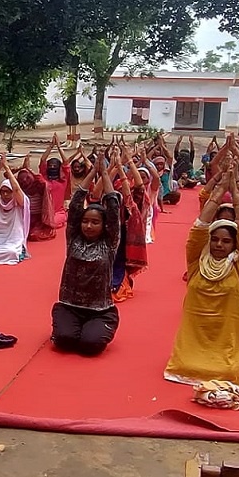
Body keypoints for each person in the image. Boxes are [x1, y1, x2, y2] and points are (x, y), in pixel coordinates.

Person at [164, 164, 239, 388]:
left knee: (229, 370)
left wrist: (236, 193)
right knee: (189, 366)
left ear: (236, 244)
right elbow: (198, 229)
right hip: (191, 349)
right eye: (215, 239)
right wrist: (217, 194)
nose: (219, 244)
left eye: (226, 241)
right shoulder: (197, 261)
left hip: (227, 349)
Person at [51, 155, 121, 356]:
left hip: (100, 310)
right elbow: (75, 205)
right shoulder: (73, 238)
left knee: (90, 346)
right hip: (69, 305)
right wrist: (92, 172)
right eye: (86, 221)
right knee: (64, 342)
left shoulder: (109, 243)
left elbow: (113, 207)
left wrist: (105, 173)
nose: (89, 226)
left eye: (95, 222)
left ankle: (107, 324)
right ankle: (62, 321)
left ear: (104, 225)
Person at [111, 145, 148, 302]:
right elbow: (107, 183)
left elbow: (137, 188)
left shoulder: (135, 203)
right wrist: (116, 164)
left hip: (125, 236)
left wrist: (127, 163)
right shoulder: (111, 199)